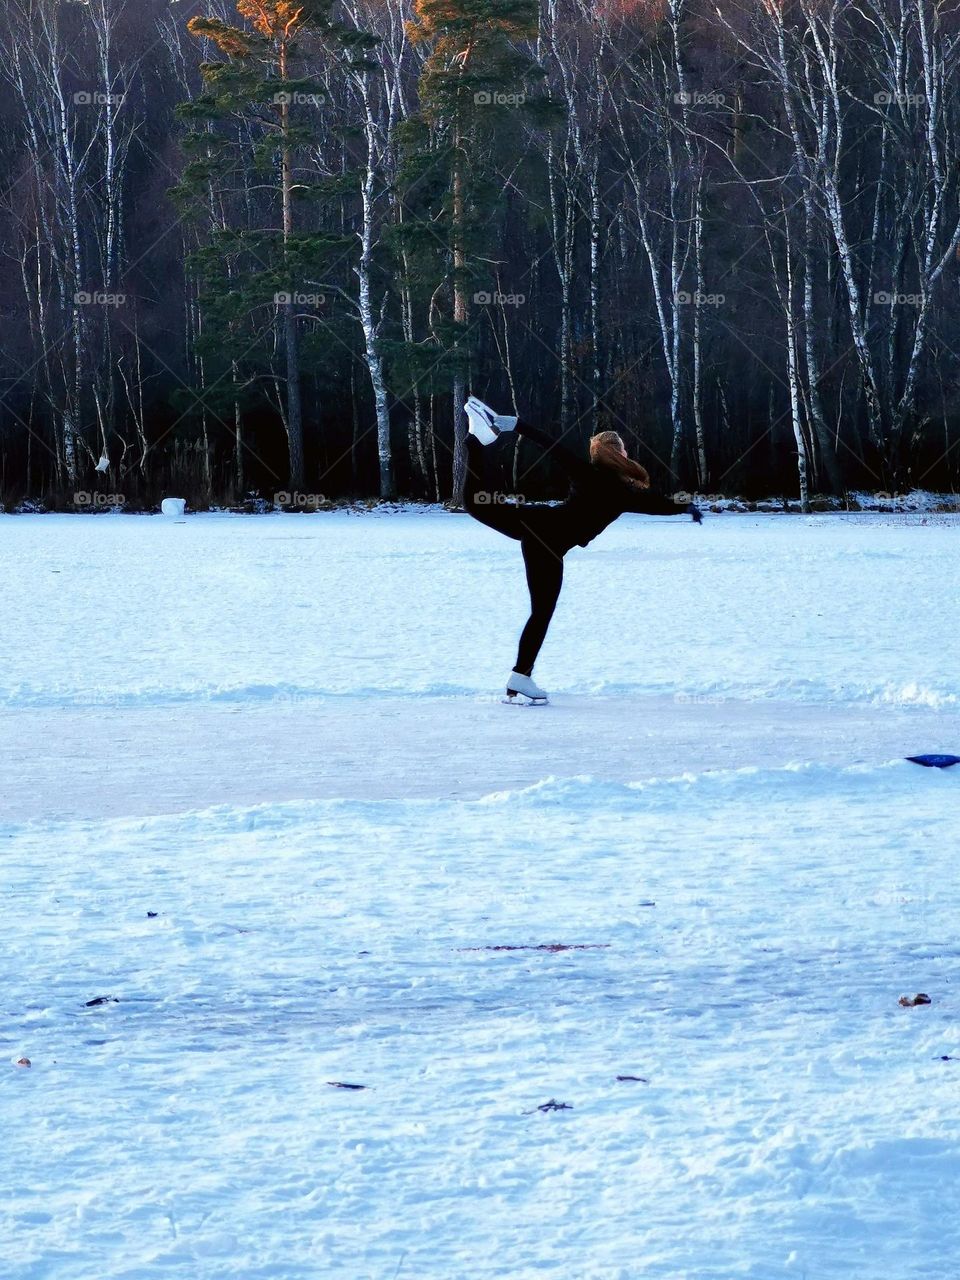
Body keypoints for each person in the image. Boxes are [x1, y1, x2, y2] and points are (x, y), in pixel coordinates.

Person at [463, 396, 702, 704]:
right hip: (545, 538)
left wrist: (519, 426)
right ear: (617, 453)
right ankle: (475, 441)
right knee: (540, 611)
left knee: (481, 507)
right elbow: (658, 504)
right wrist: (686, 506)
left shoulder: (593, 476)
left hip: (539, 530)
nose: (627, 453)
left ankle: (520, 676)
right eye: (624, 449)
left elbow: (552, 446)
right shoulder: (623, 492)